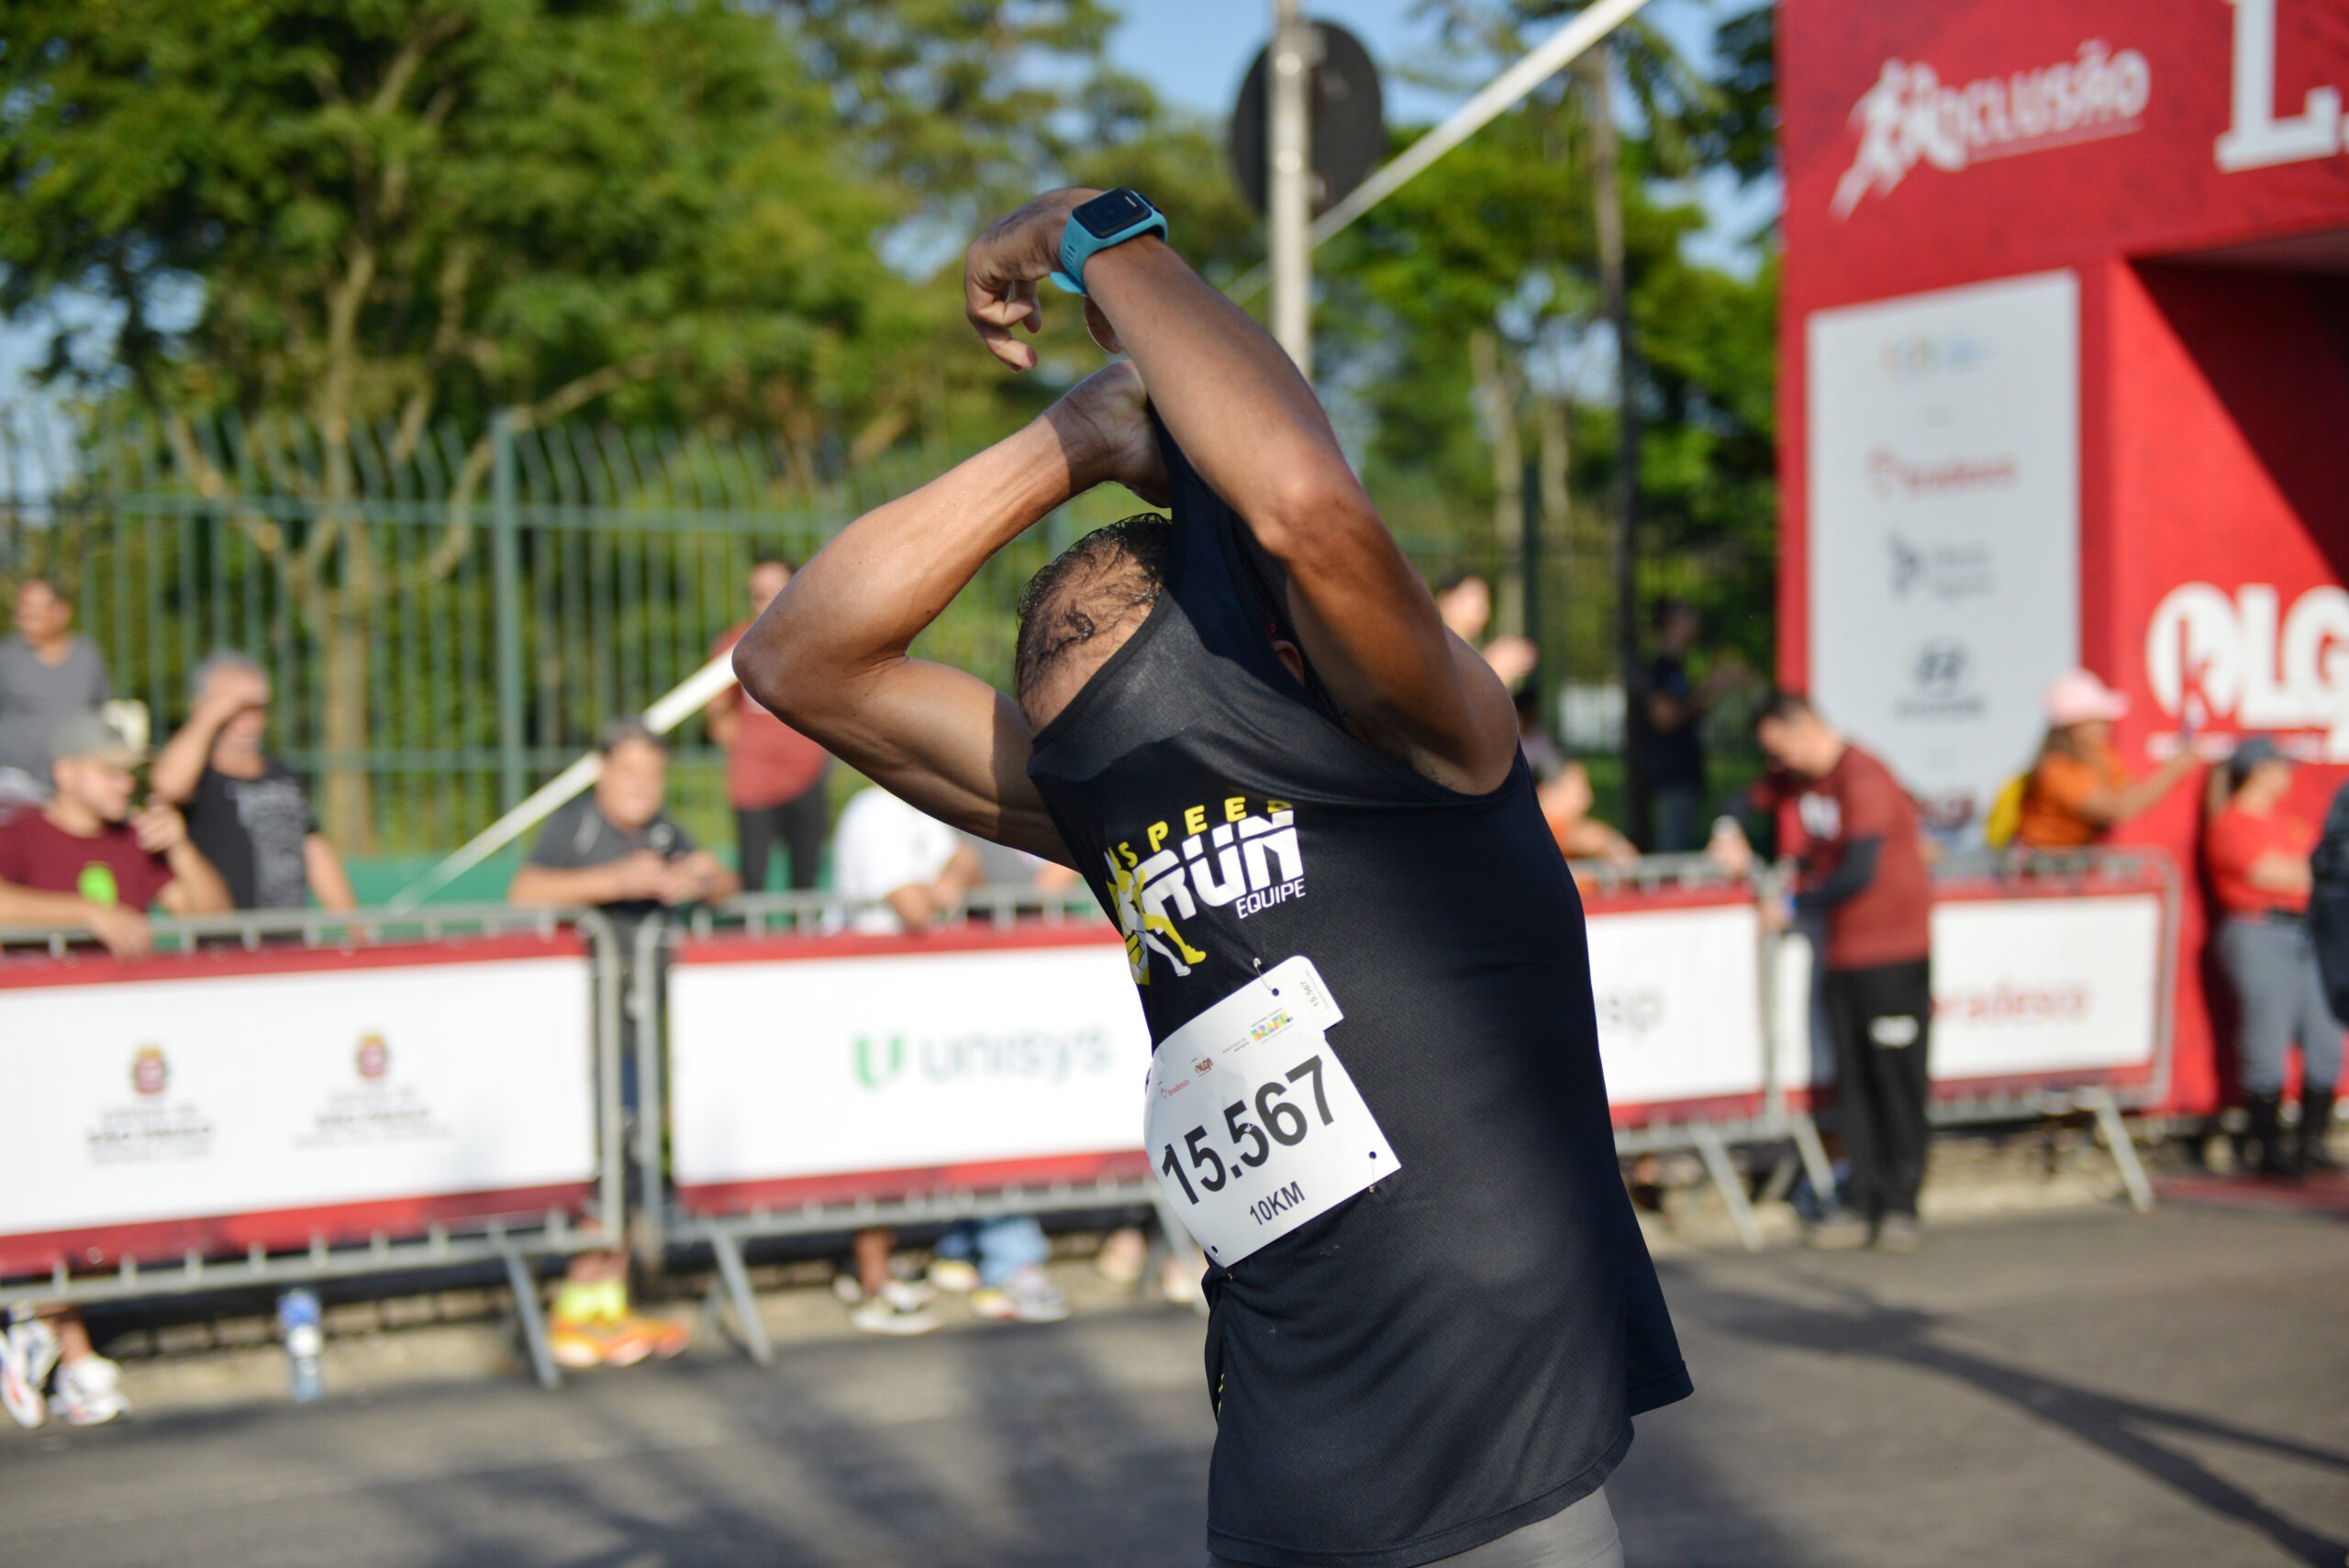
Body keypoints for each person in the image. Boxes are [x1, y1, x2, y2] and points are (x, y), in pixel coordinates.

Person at [734, 184, 1687, 1568]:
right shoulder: (1110, 807)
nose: (1131, 806)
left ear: (1281, 672)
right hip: (1283, 1477)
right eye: (1090, 763)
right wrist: (1073, 438)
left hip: (1494, 1489)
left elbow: (1302, 509)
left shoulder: (1424, 744)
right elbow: (792, 662)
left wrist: (1095, 234)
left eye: (1150, 746)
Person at [0, 713, 231, 1429]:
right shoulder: (21, 835)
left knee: (95, 1201)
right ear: (65, 771)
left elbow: (213, 914)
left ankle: (51, 1335)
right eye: (107, 769)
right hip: (34, 1053)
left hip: (106, 1055)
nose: (122, 783)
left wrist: (184, 851)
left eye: (127, 770)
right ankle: (64, 1344)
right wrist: (81, 913)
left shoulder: (134, 839)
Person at [509, 718, 736, 1370]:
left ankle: (609, 1303)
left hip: (644, 1024)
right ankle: (577, 1308)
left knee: (636, 1161)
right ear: (602, 771)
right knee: (606, 1163)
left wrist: (700, 877)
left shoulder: (664, 830)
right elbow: (525, 891)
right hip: (585, 1030)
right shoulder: (576, 826)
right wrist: (614, 882)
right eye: (630, 772)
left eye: (654, 773)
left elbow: (727, 885)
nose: (643, 786)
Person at [828, 784, 1072, 1331]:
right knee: (879, 1140)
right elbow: (915, 908)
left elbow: (970, 869)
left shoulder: (917, 805)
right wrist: (946, 886)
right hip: (873, 1001)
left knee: (966, 1121)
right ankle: (877, 1282)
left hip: (920, 998)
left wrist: (947, 884)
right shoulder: (875, 811)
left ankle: (959, 1253)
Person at [1710, 694, 1933, 1252]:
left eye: (1776, 747)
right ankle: (1861, 1197)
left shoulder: (1864, 777)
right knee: (1853, 1083)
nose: (1774, 761)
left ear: (1802, 729)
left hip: (1893, 952)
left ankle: (1901, 1201)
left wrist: (1792, 904)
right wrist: (1727, 828)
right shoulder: (1802, 781)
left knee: (1896, 1080)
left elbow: (1859, 870)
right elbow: (1742, 800)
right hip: (1844, 954)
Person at [2205, 737, 2340, 1177]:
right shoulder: (2232, 823)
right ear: (2260, 770)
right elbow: (2277, 873)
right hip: (2259, 931)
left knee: (2325, 1039)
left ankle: (2311, 1142)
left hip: (2305, 932)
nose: (2288, 776)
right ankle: (2267, 1147)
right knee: (2267, 1041)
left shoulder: (2285, 821)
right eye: (2280, 767)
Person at [150, 651, 356, 910]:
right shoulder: (200, 778)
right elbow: (167, 784)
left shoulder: (282, 774)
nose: (249, 720)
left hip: (289, 940)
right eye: (235, 709)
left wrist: (353, 924)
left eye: (257, 708)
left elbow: (313, 849)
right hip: (227, 943)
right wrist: (214, 713)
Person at [705, 557, 832, 893]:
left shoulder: (814, 643)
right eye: (759, 595)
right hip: (754, 783)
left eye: (777, 592)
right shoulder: (735, 644)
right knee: (754, 882)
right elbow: (717, 711)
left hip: (807, 776)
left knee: (806, 882)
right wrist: (749, 746)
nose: (768, 603)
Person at [2013, 669, 2196, 850]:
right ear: (2075, 727)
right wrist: (2171, 771)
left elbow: (2128, 792)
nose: (2106, 726)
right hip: (2043, 869)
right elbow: (2116, 808)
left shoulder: (2101, 755)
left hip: (2072, 868)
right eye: (2097, 720)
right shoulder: (2057, 770)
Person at [1627, 598, 1741, 853]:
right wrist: (1708, 690)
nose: (1694, 622)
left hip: (1684, 777)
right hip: (1670, 778)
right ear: (1671, 624)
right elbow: (1664, 717)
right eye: (1687, 615)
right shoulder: (1659, 668)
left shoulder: (1679, 667)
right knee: (1670, 857)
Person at [0, 576, 112, 805]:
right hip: (15, 785)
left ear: (61, 612)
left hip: (72, 786)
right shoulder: (7, 657)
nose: (25, 620)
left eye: (34, 613)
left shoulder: (87, 657)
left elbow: (100, 713)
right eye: (22, 612)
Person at [1432, 571, 1538, 690]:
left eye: (1485, 599)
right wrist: (1492, 672)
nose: (1482, 607)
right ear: (1445, 600)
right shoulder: (1431, 650)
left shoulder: (1468, 653)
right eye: (1473, 597)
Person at [1540, 759, 1637, 872]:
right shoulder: (1542, 829)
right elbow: (1581, 837)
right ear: (1549, 792)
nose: (1587, 799)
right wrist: (1610, 844)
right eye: (1579, 789)